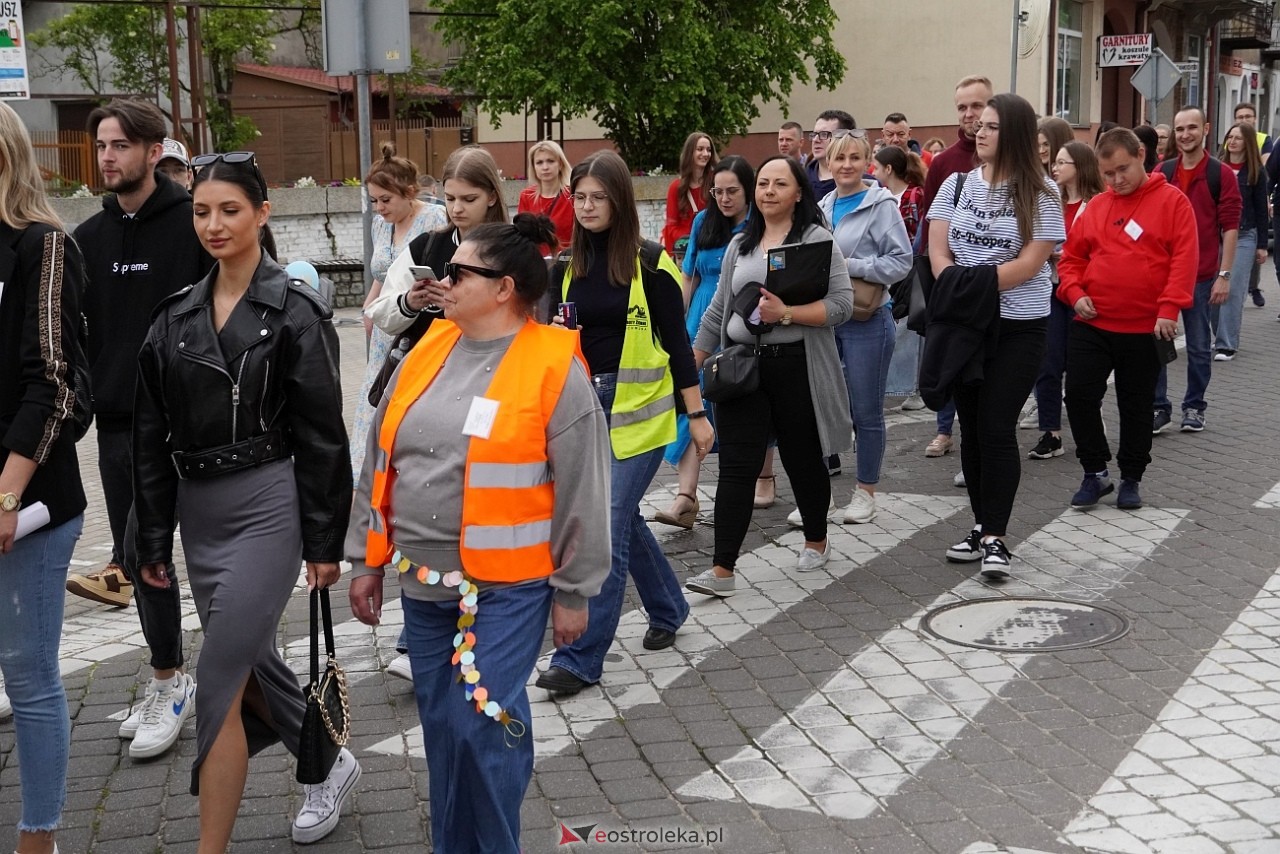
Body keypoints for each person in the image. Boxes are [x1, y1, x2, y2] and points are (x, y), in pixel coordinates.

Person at [345, 214, 611, 854]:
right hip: (424, 582)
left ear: (504, 288)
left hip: (508, 588)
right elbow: (380, 461)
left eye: (460, 271)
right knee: (443, 727)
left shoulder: (552, 365)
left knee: (482, 723)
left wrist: (575, 591)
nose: (445, 280)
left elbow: (583, 487)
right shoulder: (428, 349)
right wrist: (366, 559)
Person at [133, 151, 358, 850]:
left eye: (230, 209)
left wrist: (324, 544)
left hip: (270, 502)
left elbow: (324, 434)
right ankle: (330, 759)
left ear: (263, 213)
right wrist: (149, 539)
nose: (214, 224)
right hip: (201, 513)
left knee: (218, 676)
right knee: (255, 661)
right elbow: (149, 439)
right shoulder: (173, 319)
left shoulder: (295, 311)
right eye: (201, 211)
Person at [66, 98, 212, 760]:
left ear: (155, 152)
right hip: (122, 429)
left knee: (208, 566)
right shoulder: (88, 240)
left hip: (196, 427)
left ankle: (219, 680)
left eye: (120, 144)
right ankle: (168, 679)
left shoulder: (192, 226)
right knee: (141, 559)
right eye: (101, 145)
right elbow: (73, 333)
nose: (107, 156)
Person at [537, 150, 711, 691]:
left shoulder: (651, 262)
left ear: (620, 202)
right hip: (582, 414)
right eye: (580, 197)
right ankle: (669, 606)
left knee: (606, 526)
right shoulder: (565, 267)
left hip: (640, 417)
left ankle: (581, 659)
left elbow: (678, 343)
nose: (587, 207)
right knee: (623, 520)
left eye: (598, 198)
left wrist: (697, 414)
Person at [364, 145, 507, 680]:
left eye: (468, 198)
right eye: (448, 198)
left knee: (474, 494)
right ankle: (417, 632)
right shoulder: (429, 242)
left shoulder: (510, 247)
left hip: (490, 383)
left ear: (492, 196)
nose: (456, 209)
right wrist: (416, 301)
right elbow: (381, 313)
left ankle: (479, 611)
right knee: (424, 494)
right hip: (427, 381)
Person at [686, 155, 853, 597]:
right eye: (762, 183)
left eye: (780, 183)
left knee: (802, 457)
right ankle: (722, 569)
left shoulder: (818, 240)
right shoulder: (740, 244)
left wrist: (788, 313)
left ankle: (816, 540)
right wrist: (693, 361)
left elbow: (842, 305)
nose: (769, 191)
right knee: (737, 466)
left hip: (797, 366)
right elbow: (718, 309)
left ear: (799, 191)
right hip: (741, 368)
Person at [925, 93, 1066, 578]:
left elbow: (1030, 265)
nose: (979, 132)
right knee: (970, 427)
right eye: (978, 125)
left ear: (1018, 135)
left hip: (1019, 327)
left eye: (992, 126)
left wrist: (971, 284)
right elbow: (937, 249)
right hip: (966, 326)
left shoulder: (1042, 192)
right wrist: (957, 284)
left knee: (996, 427)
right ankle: (981, 524)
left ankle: (996, 539)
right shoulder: (956, 183)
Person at [0, 100, 89, 854]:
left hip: (25, 502)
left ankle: (39, 838)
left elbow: (55, 385)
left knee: (27, 676)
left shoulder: (42, 246)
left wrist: (6, 493)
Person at [1058, 128, 1196, 511]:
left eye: (1122, 170)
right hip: (1093, 321)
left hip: (1144, 327)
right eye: (1107, 174)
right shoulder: (1098, 206)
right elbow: (1072, 259)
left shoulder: (1172, 202)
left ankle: (1132, 476)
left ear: (1141, 155)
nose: (1116, 180)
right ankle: (1095, 472)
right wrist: (1074, 292)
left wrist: (1169, 308)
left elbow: (1184, 259)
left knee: (1136, 406)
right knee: (1081, 395)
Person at [818, 132, 912, 524]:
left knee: (866, 410)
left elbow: (901, 261)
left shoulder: (882, 205)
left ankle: (866, 492)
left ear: (867, 163)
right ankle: (819, 496)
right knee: (825, 408)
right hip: (826, 320)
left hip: (867, 319)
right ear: (829, 161)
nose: (846, 165)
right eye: (840, 158)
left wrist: (847, 265)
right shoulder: (822, 205)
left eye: (855, 158)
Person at [655, 155, 754, 528]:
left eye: (732, 191)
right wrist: (675, 323)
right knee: (690, 403)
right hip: (702, 316)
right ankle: (686, 497)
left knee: (736, 400)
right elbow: (689, 276)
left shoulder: (756, 226)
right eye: (718, 191)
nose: (724, 199)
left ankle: (756, 481)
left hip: (742, 319)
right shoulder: (702, 221)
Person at [351, 143, 446, 484]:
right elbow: (381, 272)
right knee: (373, 397)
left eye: (385, 200)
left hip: (419, 326)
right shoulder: (380, 225)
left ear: (408, 192)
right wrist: (368, 306)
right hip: (383, 326)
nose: (379, 208)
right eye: (373, 200)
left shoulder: (434, 219)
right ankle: (366, 477)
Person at [1153, 106, 1241, 434]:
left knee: (1199, 346)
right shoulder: (1163, 171)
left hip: (1202, 275)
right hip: (1163, 275)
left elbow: (1230, 227)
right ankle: (1159, 407)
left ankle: (1194, 406)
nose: (1185, 134)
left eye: (1192, 128)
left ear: (1205, 128)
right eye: (1179, 129)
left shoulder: (1221, 175)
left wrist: (1224, 274)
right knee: (1158, 342)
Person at [920, 75, 993, 463]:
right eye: (962, 107)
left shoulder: (1013, 158)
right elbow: (933, 229)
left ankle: (982, 443)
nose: (969, 114)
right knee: (950, 356)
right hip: (951, 281)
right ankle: (945, 429)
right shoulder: (945, 163)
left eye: (977, 106)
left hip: (997, 289)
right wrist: (940, 278)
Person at [1027, 140, 1104, 463]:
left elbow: (1102, 248)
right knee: (1048, 362)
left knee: (1083, 367)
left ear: (1080, 167)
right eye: (1055, 162)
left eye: (1062, 162)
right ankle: (1051, 432)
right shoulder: (1049, 200)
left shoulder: (1097, 203)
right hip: (1051, 289)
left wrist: (1070, 252)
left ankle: (1090, 425)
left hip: (1084, 293)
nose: (1055, 168)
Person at [874, 144, 929, 412]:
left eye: (876, 166)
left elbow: (919, 233)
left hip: (911, 271)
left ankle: (913, 390)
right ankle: (901, 388)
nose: (873, 171)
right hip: (888, 272)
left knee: (910, 328)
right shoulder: (880, 197)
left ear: (888, 169)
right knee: (898, 326)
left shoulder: (915, 195)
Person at [1211, 121, 1269, 361]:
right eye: (1230, 136)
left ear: (1247, 143)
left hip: (1245, 234)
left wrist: (1262, 245)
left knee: (1232, 289)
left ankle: (1227, 344)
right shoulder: (1216, 168)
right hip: (1216, 236)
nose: (1232, 141)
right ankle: (1219, 335)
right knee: (1213, 289)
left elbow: (1260, 210)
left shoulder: (1255, 172)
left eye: (1238, 138)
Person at [1234, 102, 1271, 307]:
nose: (1244, 120)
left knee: (1252, 247)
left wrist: (1254, 175)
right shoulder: (1230, 139)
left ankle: (1254, 286)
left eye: (1248, 116)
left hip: (1255, 190)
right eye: (1240, 117)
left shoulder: (1263, 139)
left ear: (1254, 119)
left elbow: (1266, 162)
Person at [661, 132, 717, 255]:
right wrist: (691, 239)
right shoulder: (676, 187)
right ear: (690, 152)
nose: (705, 154)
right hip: (688, 249)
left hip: (713, 246)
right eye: (700, 149)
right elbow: (671, 227)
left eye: (708, 150)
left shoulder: (716, 182)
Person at [517, 139, 574, 252]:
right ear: (533, 167)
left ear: (560, 164)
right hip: (535, 263)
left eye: (550, 161)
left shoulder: (573, 196)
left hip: (564, 262)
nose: (545, 167)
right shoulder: (526, 196)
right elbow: (522, 236)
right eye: (539, 162)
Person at [806, 109, 856, 199]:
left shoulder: (863, 183)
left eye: (824, 134)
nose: (816, 140)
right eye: (814, 134)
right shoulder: (800, 180)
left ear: (844, 138)